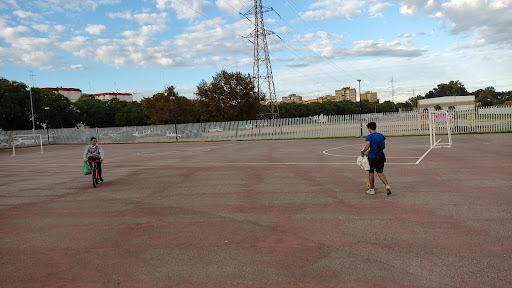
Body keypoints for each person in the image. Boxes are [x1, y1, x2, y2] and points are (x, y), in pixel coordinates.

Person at [360, 122, 391, 195]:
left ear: (370, 128)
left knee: (371, 173)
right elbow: (383, 146)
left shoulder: (369, 137)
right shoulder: (381, 136)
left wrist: (362, 152)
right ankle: (387, 185)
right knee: (380, 172)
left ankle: (372, 189)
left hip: (372, 157)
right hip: (380, 156)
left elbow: (367, 147)